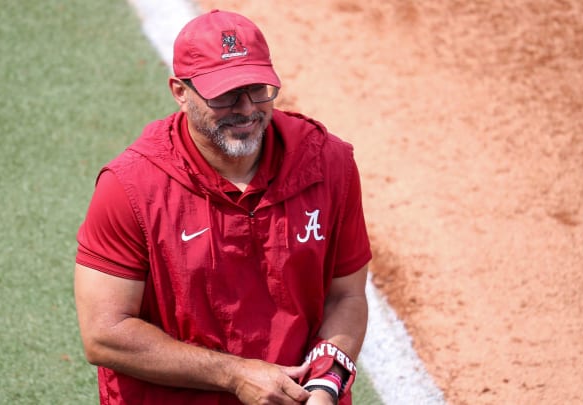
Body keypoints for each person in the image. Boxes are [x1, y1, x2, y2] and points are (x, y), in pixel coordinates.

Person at [74, 9, 371, 405]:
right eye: (226, 94)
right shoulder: (130, 187)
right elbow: (104, 333)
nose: (247, 108)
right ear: (180, 91)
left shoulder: (328, 164)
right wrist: (234, 375)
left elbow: (346, 297)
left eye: (258, 88)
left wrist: (324, 386)